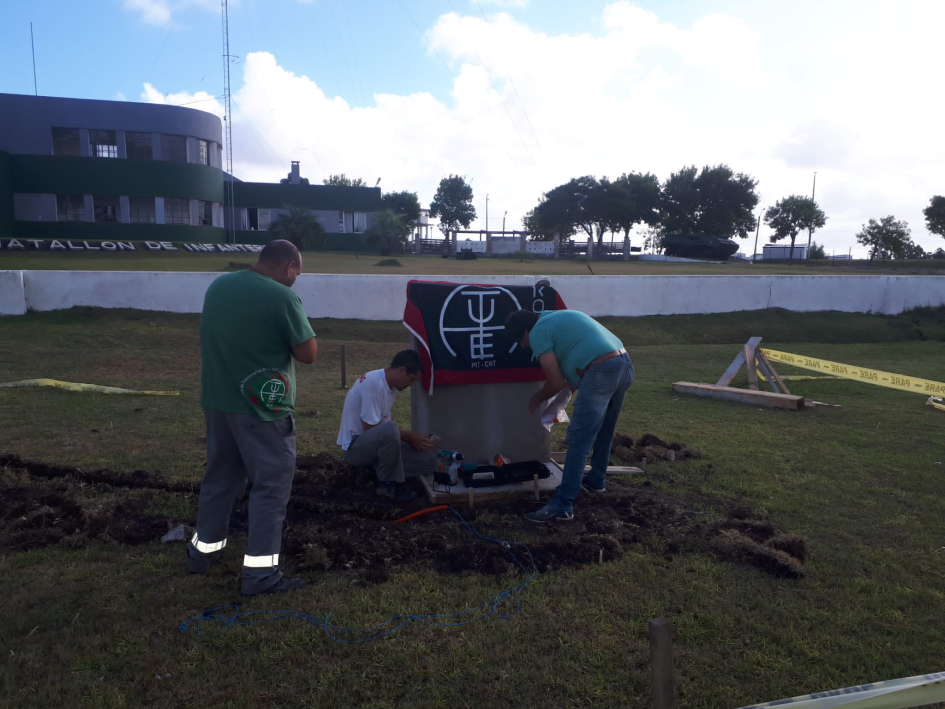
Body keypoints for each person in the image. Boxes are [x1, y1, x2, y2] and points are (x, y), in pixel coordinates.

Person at [187, 239, 318, 596]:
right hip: (262, 408)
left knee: (221, 478)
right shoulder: (281, 297)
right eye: (298, 273)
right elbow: (308, 354)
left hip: (218, 401)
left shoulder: (220, 286)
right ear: (290, 266)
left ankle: (201, 554)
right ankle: (261, 575)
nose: (296, 279)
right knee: (271, 487)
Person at [504, 309, 633, 523]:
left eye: (520, 340)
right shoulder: (557, 318)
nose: (523, 346)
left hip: (601, 371)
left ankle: (562, 504)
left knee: (578, 439)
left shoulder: (538, 332)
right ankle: (596, 479)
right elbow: (578, 371)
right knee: (604, 430)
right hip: (623, 365)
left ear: (526, 331)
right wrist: (559, 400)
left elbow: (554, 383)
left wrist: (537, 398)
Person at [337, 350, 437, 502]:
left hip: (371, 444)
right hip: (355, 448)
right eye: (411, 380)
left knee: (430, 462)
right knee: (391, 431)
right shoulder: (374, 385)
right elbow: (372, 430)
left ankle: (371, 472)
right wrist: (409, 436)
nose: (410, 385)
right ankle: (388, 485)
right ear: (402, 370)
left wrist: (412, 440)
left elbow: (382, 427)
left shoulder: (387, 386)